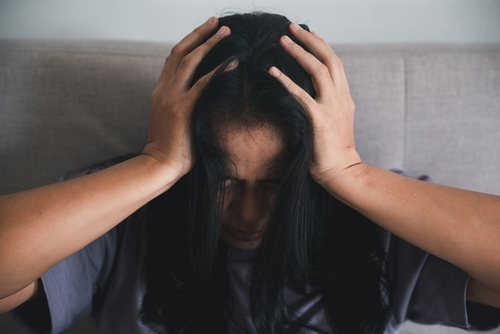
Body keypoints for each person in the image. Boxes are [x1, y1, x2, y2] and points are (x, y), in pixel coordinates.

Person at [0, 12, 499, 334]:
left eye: (279, 185)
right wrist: (157, 165)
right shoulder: (123, 212)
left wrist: (352, 174)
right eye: (223, 182)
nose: (249, 212)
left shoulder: (379, 218)